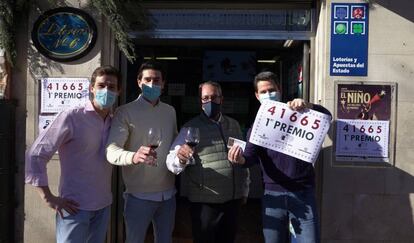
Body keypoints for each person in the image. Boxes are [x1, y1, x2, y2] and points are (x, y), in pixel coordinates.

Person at [228, 71, 332, 243]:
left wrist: (309, 106)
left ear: (280, 90)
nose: (268, 94)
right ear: (256, 95)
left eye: (271, 90)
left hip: (302, 193)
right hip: (272, 196)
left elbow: (326, 117)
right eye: (263, 92)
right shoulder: (258, 124)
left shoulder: (298, 112)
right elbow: (250, 156)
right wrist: (240, 160)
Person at [25, 65, 121, 243]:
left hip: (103, 205)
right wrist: (48, 198)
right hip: (74, 208)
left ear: (118, 91)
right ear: (91, 88)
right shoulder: (72, 116)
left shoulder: (115, 122)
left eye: (112, 87)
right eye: (101, 86)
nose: (106, 90)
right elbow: (35, 155)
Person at [166, 81, 250, 243]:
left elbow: (242, 160)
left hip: (232, 201)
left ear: (221, 99)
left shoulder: (233, 125)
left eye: (214, 97)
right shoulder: (190, 128)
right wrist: (181, 158)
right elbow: (172, 163)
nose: (210, 101)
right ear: (200, 101)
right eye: (205, 98)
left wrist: (245, 189)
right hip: (205, 203)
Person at [106, 61, 177, 243]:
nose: (152, 84)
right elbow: (111, 151)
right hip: (138, 196)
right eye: (147, 79)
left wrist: (182, 152)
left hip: (168, 194)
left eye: (156, 80)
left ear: (163, 83)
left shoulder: (170, 111)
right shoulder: (124, 112)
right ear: (139, 82)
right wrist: (134, 156)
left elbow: (174, 145)